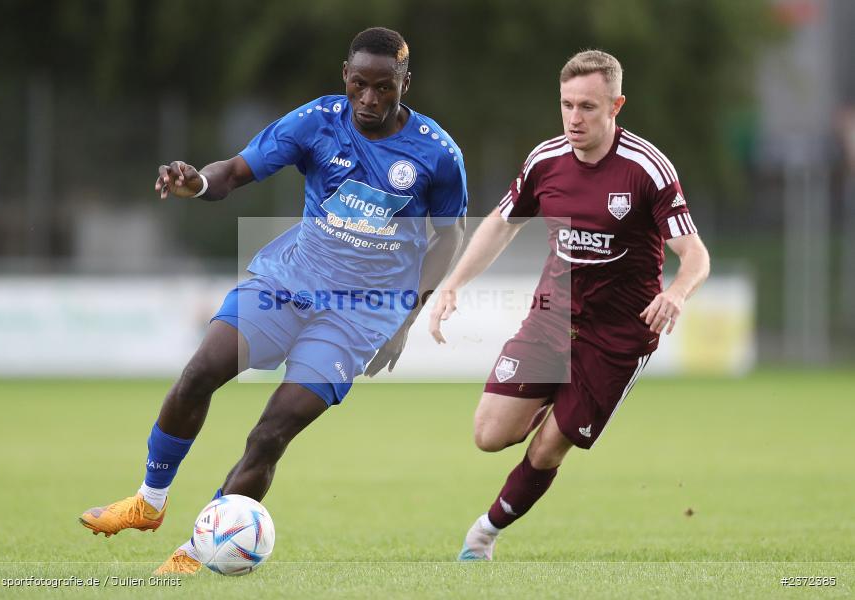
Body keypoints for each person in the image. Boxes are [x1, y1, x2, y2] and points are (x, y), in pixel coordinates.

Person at [78, 27, 467, 574]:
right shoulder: (316, 122)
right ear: (345, 76)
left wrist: (404, 321)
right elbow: (234, 172)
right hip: (290, 281)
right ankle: (148, 500)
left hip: (359, 317)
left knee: (270, 433)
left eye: (385, 87)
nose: (371, 99)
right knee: (200, 371)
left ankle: (198, 551)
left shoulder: (437, 154)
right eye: (360, 85)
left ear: (407, 82)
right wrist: (198, 183)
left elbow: (448, 238)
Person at [428, 50, 710, 561]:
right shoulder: (546, 160)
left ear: (616, 106)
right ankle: (552, 404)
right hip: (551, 317)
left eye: (587, 107)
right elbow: (502, 221)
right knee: (489, 435)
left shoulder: (647, 169)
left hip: (618, 337)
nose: (574, 119)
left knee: (548, 449)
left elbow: (695, 253)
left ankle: (483, 535)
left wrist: (676, 293)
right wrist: (454, 283)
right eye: (566, 106)